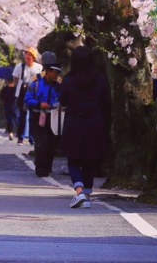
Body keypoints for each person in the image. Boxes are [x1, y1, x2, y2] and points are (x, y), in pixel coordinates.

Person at [59, 45, 112, 208]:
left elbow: (63, 101)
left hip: (74, 123)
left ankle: (79, 191)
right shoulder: (100, 80)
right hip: (95, 124)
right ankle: (86, 196)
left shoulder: (68, 80)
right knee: (89, 160)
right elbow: (107, 103)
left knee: (73, 159)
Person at [25, 51, 62, 178]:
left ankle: (47, 167)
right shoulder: (36, 83)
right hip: (39, 116)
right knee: (42, 142)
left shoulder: (59, 86)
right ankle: (40, 168)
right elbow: (27, 99)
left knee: (52, 143)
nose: (56, 75)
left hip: (54, 117)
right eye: (54, 72)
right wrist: (39, 104)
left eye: (58, 73)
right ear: (48, 70)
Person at [13, 47, 43, 145]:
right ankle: (20, 138)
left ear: (34, 57)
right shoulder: (20, 66)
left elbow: (41, 80)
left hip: (34, 93)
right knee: (22, 116)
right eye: (26, 54)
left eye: (30, 55)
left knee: (33, 116)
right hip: (23, 93)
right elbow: (15, 79)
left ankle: (32, 138)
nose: (28, 56)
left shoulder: (38, 67)